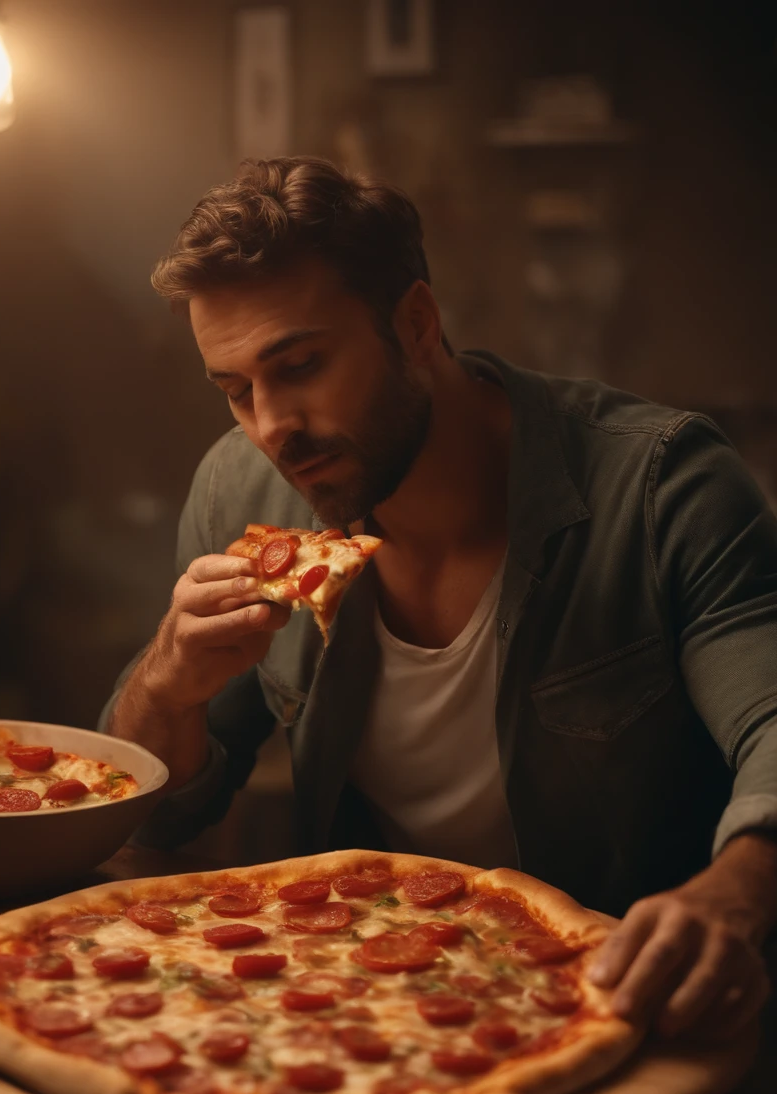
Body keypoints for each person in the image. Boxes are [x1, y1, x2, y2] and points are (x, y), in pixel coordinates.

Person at [103, 156, 777, 1041]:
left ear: (416, 323)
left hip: (639, 1016)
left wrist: (737, 887)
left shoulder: (662, 486)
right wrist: (165, 684)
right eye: (236, 391)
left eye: (299, 365)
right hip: (370, 1016)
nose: (271, 426)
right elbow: (157, 810)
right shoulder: (241, 493)